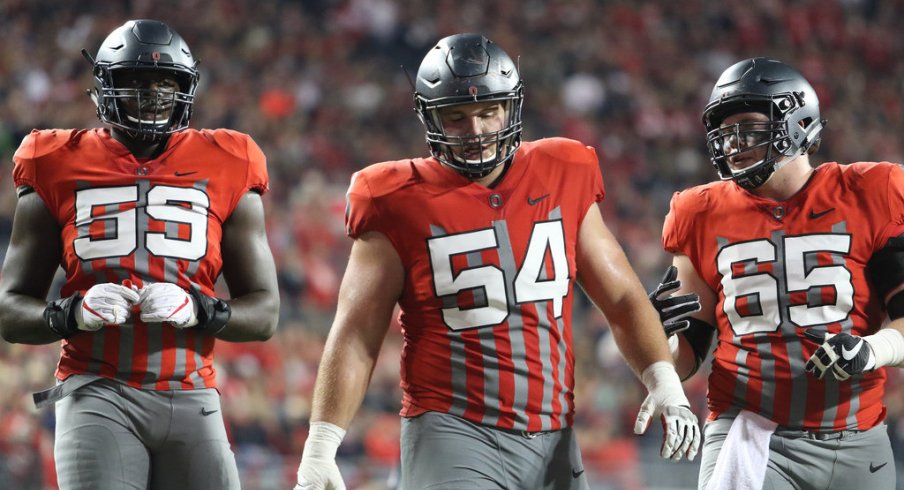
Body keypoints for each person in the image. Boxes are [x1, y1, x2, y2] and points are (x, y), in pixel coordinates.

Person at [294, 33, 699, 490]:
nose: (477, 130)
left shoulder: (562, 169)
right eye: (457, 117)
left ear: (512, 108)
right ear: (431, 119)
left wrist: (663, 380)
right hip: (452, 430)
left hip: (554, 432)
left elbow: (622, 297)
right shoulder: (394, 197)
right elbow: (356, 332)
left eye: (489, 112)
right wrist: (322, 443)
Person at [0, 19, 280, 490]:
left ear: (185, 89)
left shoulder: (229, 160)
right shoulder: (54, 160)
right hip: (97, 389)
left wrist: (199, 308)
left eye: (164, 84)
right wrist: (71, 313)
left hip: (192, 393)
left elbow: (265, 312)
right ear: (106, 88)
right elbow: (9, 310)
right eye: (135, 83)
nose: (152, 96)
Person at [655, 57, 904, 490]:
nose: (733, 144)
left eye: (748, 128)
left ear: (797, 123)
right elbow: (686, 355)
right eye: (725, 133)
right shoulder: (699, 211)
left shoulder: (871, 192)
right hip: (750, 429)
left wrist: (871, 350)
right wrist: (661, 342)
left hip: (857, 434)